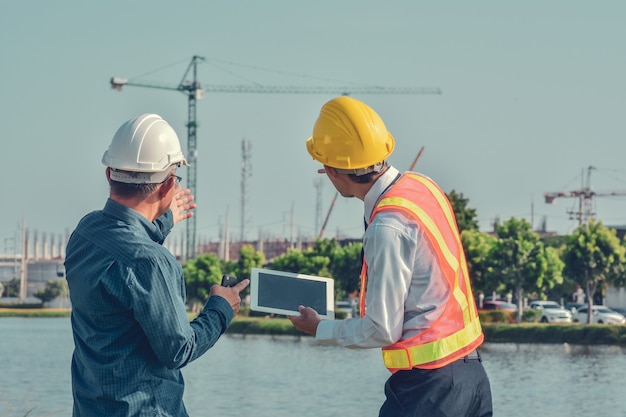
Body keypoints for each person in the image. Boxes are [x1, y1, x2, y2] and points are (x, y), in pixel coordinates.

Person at [289, 97, 493, 416]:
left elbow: (382, 329)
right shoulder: (424, 187)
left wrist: (320, 328)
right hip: (472, 378)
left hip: (429, 389)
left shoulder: (387, 227)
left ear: (328, 169)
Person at [65, 113, 249, 417]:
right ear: (167, 188)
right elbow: (178, 349)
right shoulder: (152, 262)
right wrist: (220, 308)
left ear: (109, 174)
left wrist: (160, 220)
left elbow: (124, 254)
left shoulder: (85, 233)